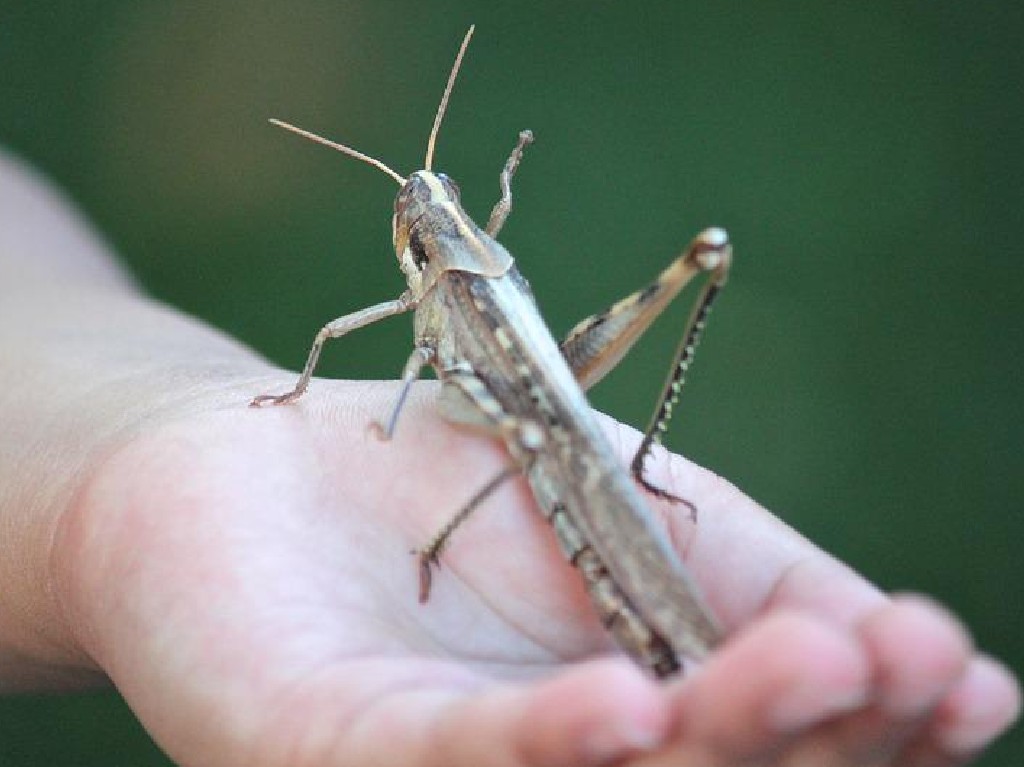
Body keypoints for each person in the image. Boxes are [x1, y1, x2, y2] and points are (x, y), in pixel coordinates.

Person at [0, 147, 1018, 767]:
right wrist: (160, 448)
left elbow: (383, 354)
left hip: (535, 408)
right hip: (531, 402)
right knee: (547, 411)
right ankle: (644, 524)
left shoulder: (447, 283)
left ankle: (631, 485)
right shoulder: (458, 264)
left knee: (672, 284)